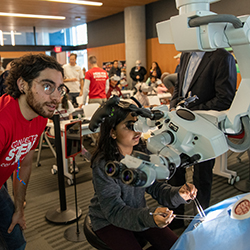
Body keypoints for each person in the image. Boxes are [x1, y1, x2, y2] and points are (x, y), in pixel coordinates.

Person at [88, 101, 197, 250]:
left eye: (138, 124)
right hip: (107, 219)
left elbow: (156, 187)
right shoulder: (104, 164)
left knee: (178, 246)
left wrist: (178, 193)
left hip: (137, 212)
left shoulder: (142, 151)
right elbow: (114, 211)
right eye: (129, 126)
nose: (137, 131)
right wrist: (149, 218)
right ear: (112, 132)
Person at [0, 53, 65, 250]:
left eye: (59, 88)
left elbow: (24, 162)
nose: (56, 97)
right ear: (23, 85)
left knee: (16, 240)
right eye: (47, 86)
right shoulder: (3, 121)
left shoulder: (40, 115)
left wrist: (19, 207)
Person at [169, 48, 237, 229]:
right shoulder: (186, 53)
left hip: (205, 126)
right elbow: (179, 85)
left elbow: (225, 98)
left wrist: (193, 110)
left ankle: (199, 222)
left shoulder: (222, 57)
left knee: (202, 175)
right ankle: (175, 220)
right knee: (174, 171)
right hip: (180, 122)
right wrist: (174, 103)